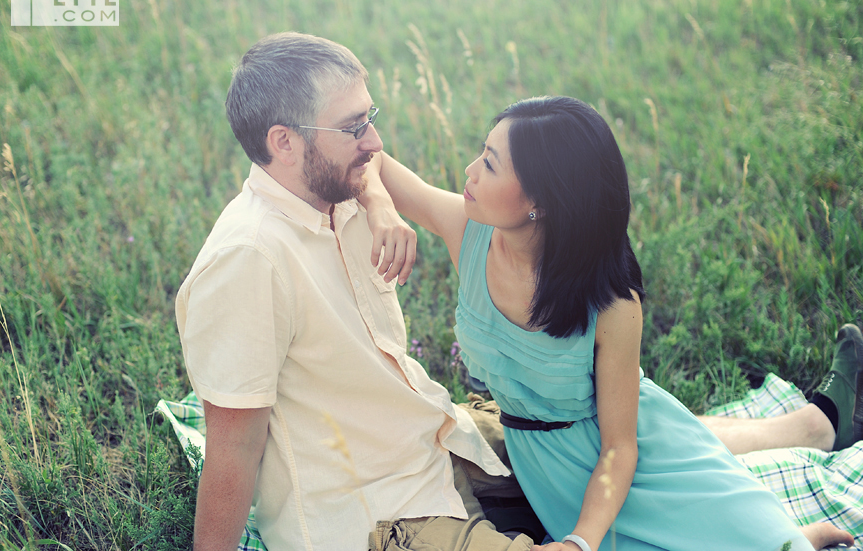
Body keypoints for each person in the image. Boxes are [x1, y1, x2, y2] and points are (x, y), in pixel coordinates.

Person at [358, 95, 858, 551]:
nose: (468, 171)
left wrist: (580, 541)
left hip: (625, 464)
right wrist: (380, 205)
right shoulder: (465, 229)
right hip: (549, 470)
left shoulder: (613, 304)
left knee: (769, 545)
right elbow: (366, 153)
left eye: (489, 164)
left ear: (542, 201)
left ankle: (786, 534)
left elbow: (620, 447)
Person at [175, 32, 539, 551]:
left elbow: (376, 165)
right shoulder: (248, 261)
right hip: (367, 514)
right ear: (284, 142)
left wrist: (380, 202)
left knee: (595, 454)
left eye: (370, 117)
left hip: (431, 442)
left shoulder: (339, 186)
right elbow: (233, 448)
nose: (373, 141)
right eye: (352, 128)